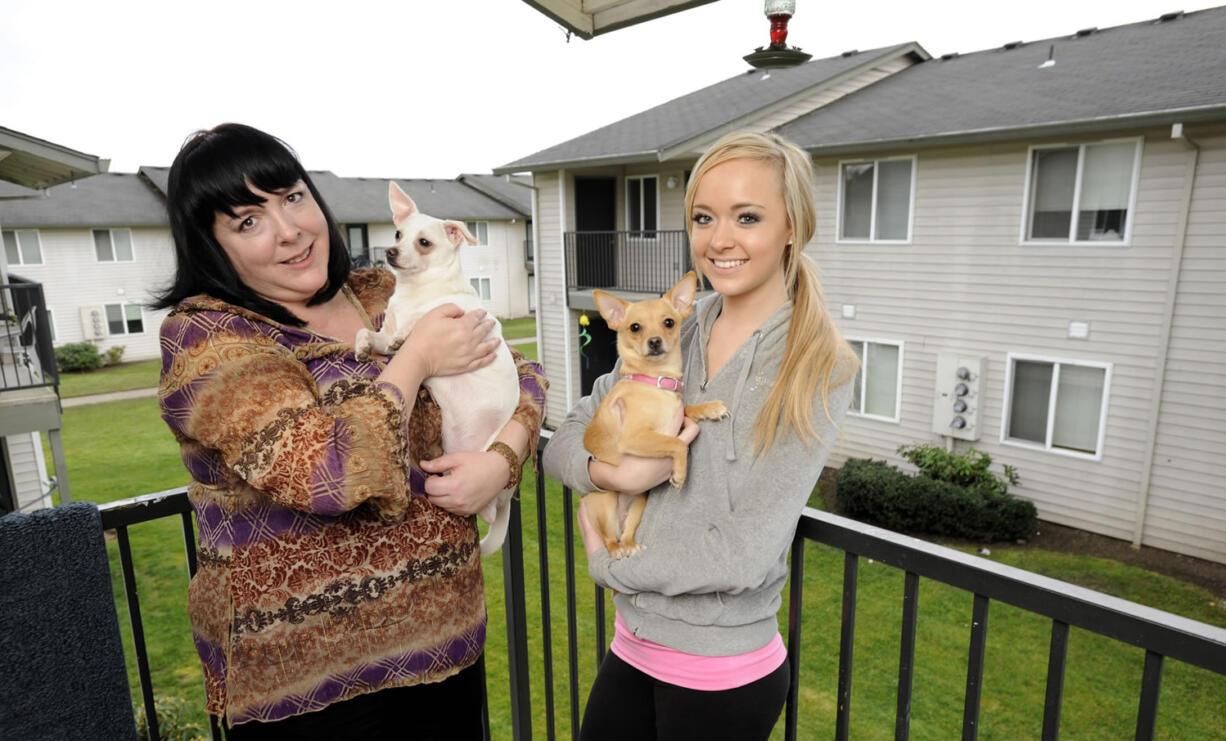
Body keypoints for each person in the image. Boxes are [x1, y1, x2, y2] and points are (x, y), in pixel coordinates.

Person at [152, 123, 546, 739]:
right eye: (247, 221)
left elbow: (523, 373)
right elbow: (326, 473)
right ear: (210, 244)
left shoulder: (380, 293)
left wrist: (502, 458)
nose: (288, 230)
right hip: (307, 677)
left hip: (442, 639)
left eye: (292, 197)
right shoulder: (209, 338)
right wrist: (415, 360)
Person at [542, 130, 858, 740]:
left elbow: (745, 551)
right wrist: (611, 474)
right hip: (632, 645)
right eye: (704, 217)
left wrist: (608, 565)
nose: (720, 240)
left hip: (721, 675)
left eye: (748, 217)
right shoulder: (674, 327)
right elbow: (567, 436)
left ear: (792, 227)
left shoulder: (815, 366)